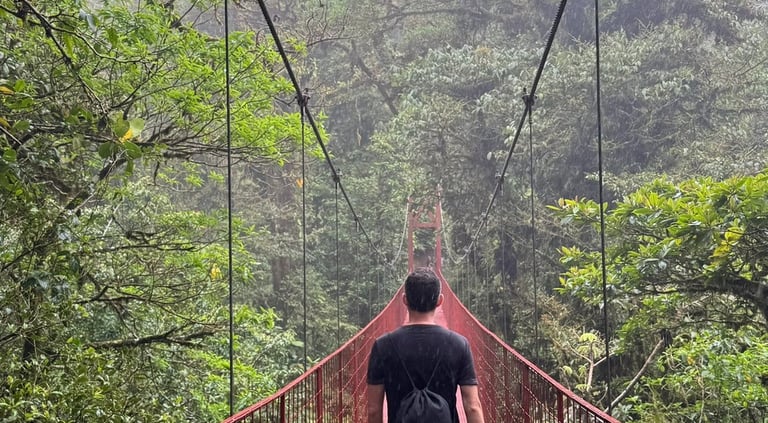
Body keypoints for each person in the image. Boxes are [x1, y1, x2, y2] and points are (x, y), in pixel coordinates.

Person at [366, 267, 485, 423]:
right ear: (439, 301)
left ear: (405, 300)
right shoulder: (458, 345)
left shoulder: (383, 346)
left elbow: (374, 411)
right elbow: (472, 406)